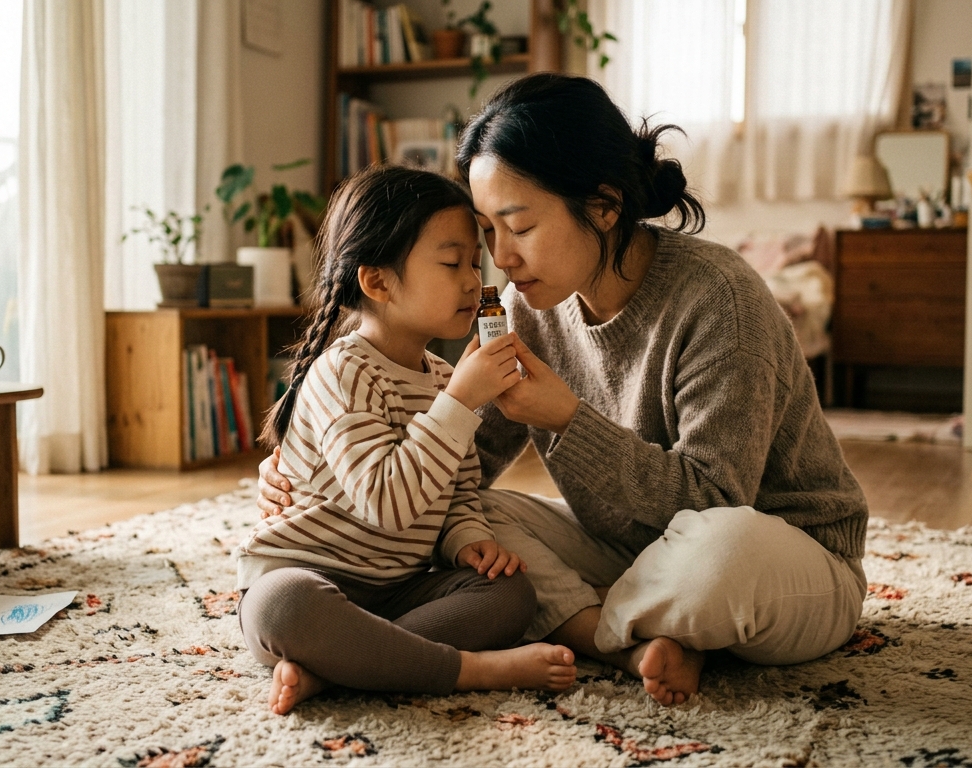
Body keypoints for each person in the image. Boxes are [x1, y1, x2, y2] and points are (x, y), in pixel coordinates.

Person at [258, 73, 869, 707]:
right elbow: (465, 464)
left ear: (603, 206)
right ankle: (640, 644)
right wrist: (308, 463)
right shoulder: (527, 310)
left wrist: (570, 420)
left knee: (717, 553)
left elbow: (715, 499)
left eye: (517, 227)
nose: (500, 260)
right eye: (487, 232)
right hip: (633, 552)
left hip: (781, 553)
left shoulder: (720, 300)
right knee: (474, 525)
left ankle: (590, 630)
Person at [236, 165, 577, 717]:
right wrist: (461, 403)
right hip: (307, 577)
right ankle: (466, 672)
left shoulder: (443, 376)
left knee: (512, 593)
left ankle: (344, 666)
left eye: (473, 261)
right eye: (451, 263)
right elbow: (387, 504)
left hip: (393, 590)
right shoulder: (343, 374)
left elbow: (457, 492)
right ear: (378, 282)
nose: (473, 279)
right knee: (283, 607)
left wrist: (468, 540)